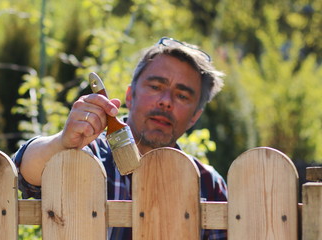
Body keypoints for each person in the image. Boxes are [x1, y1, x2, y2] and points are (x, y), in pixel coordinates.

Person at [13, 37, 228, 239]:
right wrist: (61, 142)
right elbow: (23, 176)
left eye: (182, 95)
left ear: (194, 117)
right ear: (129, 96)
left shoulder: (209, 186)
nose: (166, 101)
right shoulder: (89, 156)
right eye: (156, 87)